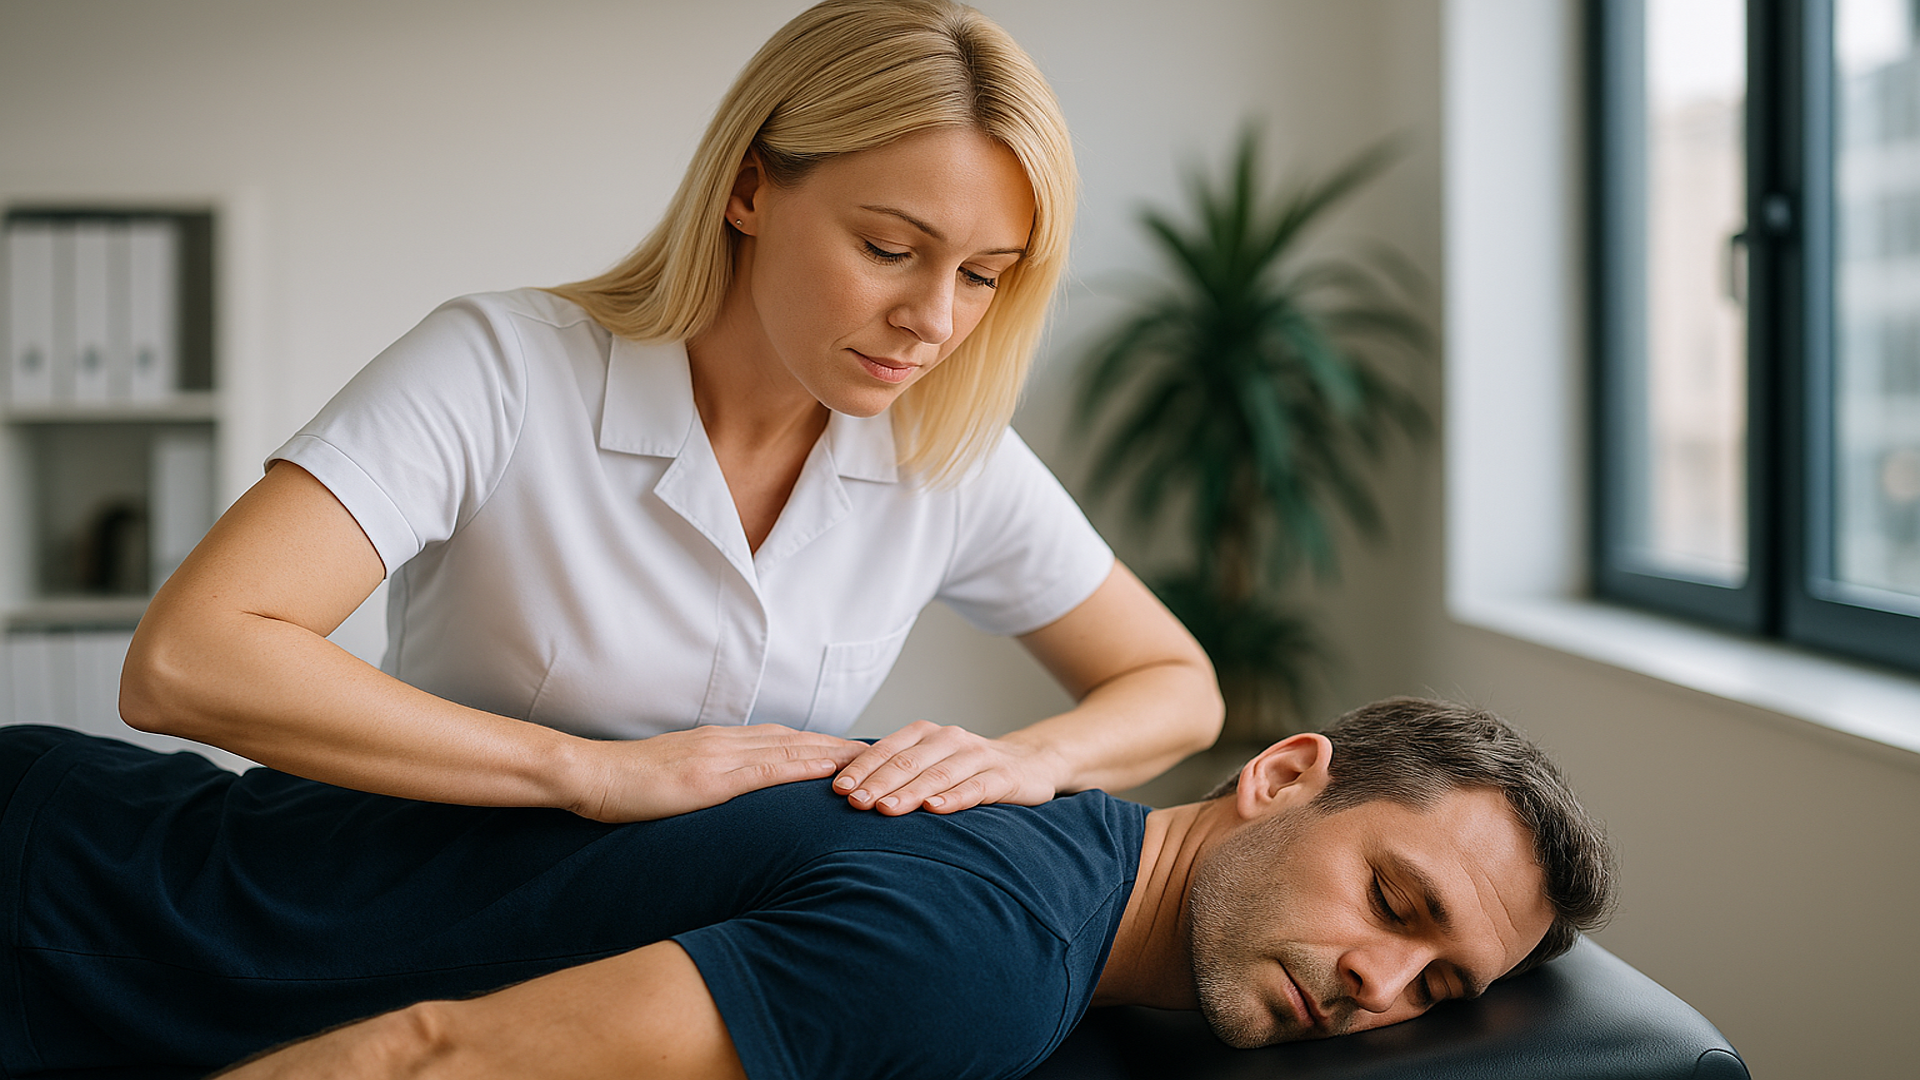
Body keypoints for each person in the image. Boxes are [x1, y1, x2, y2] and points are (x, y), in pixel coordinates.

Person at [116, 0, 1223, 823]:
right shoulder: (502, 369)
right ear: (748, 189)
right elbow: (189, 659)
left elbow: (1177, 688)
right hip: (433, 898)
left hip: (694, 942)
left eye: (983, 275)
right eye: (890, 248)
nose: (933, 320)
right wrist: (585, 773)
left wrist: (1025, 762)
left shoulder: (942, 453)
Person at [0, 697, 1615, 1080]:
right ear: (1279, 776)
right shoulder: (987, 950)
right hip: (55, 925)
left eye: (1439, 988)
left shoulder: (1043, 836)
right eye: (1394, 902)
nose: (1377, 987)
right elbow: (435, 1057)